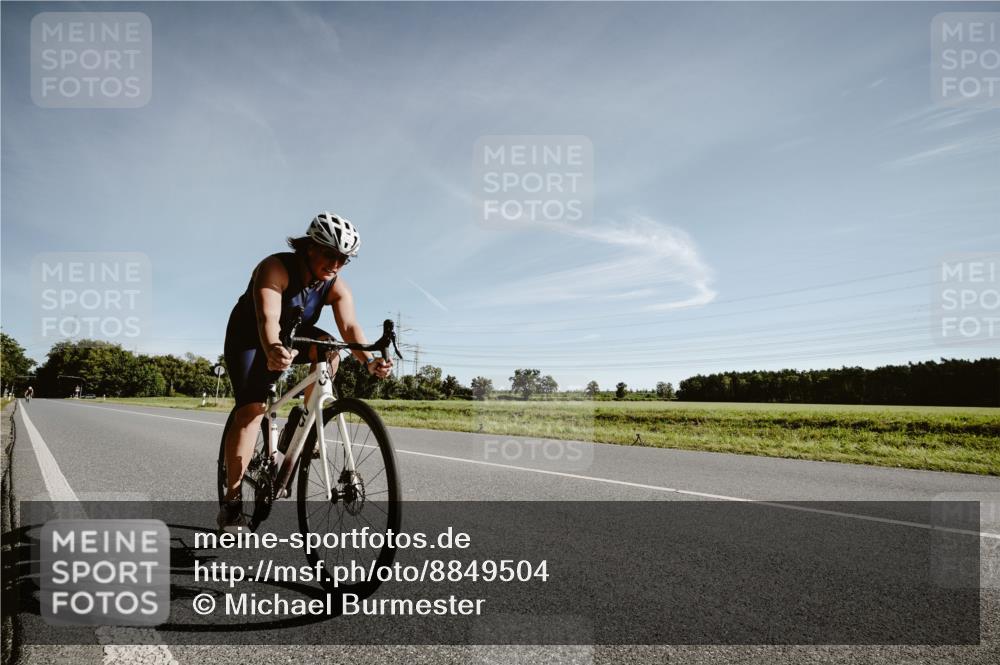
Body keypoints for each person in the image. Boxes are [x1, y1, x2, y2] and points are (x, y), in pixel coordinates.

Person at [219, 212, 393, 531]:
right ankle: (231, 504)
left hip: (290, 337)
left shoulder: (335, 285)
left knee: (331, 350)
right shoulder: (275, 268)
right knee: (252, 411)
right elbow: (267, 319)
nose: (336, 264)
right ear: (309, 247)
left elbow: (350, 326)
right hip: (249, 339)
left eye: (344, 259)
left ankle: (301, 421)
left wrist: (368, 360)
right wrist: (272, 348)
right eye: (330, 254)